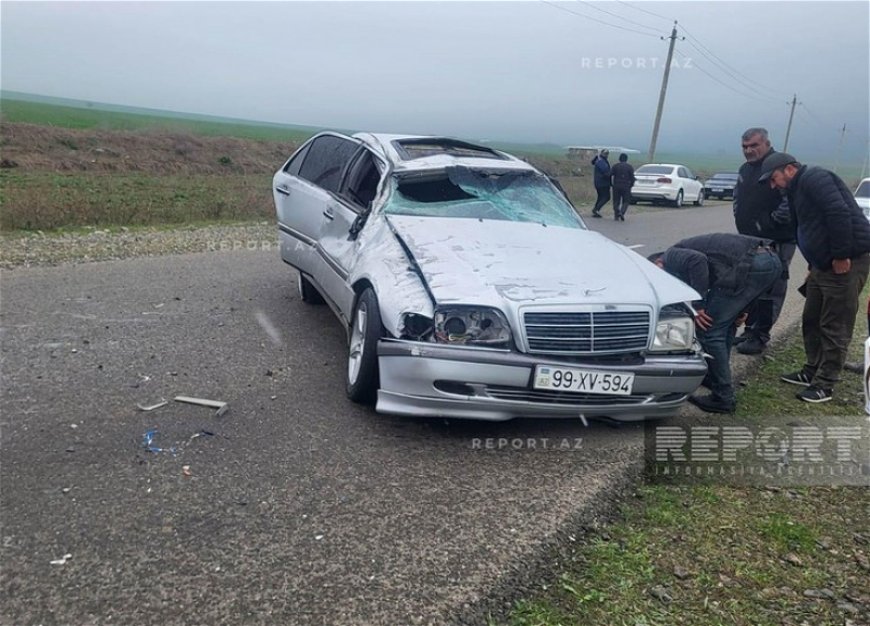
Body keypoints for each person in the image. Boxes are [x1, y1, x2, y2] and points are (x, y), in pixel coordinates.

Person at [760, 152, 870, 403]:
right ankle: (812, 370)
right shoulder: (797, 189)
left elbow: (837, 213)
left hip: (846, 262)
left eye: (774, 178)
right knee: (812, 318)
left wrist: (841, 255)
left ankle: (826, 383)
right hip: (823, 265)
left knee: (835, 324)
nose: (773, 184)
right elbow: (810, 228)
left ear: (789, 169)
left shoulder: (815, 178)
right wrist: (813, 262)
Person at [650, 233, 782, 413]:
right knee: (726, 324)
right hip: (770, 260)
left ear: (658, 263)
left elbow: (698, 261)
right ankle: (715, 377)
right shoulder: (691, 255)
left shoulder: (670, 255)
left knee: (709, 330)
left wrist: (698, 306)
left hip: (752, 262)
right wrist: (743, 310)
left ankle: (723, 397)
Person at [732, 127, 797, 355]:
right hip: (749, 240)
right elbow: (737, 197)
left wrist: (769, 224)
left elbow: (789, 202)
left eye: (754, 146)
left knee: (771, 288)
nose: (749, 151)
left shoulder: (778, 166)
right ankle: (749, 331)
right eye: (745, 147)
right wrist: (740, 218)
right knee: (750, 287)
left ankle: (760, 336)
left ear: (767, 144)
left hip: (777, 240)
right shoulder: (744, 169)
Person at [610, 153, 635, 221]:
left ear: (619, 159)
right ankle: (622, 212)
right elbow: (632, 178)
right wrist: (631, 185)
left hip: (616, 185)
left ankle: (616, 214)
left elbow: (610, 174)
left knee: (616, 201)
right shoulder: (629, 167)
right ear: (626, 159)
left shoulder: (615, 166)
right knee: (626, 201)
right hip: (626, 186)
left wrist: (611, 183)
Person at [590, 149, 611, 218]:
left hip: (598, 182)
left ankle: (596, 209)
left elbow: (593, 162)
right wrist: (611, 174)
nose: (606, 155)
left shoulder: (598, 160)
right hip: (603, 182)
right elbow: (605, 172)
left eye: (607, 153)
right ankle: (596, 209)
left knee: (600, 197)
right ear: (602, 153)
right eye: (605, 153)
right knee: (606, 197)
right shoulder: (602, 162)